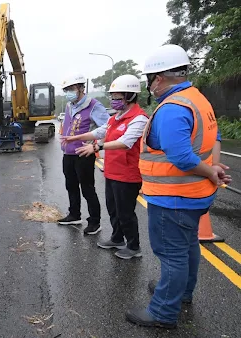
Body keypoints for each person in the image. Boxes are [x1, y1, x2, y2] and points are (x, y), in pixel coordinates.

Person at [125, 44, 232, 328]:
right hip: (194, 195)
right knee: (186, 248)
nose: (150, 85)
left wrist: (211, 172)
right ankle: (181, 292)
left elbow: (182, 157)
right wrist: (215, 168)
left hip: (173, 196)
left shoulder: (173, 108)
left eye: (149, 79)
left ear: (158, 78)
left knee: (172, 254)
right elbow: (214, 135)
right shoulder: (197, 99)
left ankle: (162, 311)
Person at [61, 74, 148, 259]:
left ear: (130, 96)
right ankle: (117, 238)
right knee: (114, 209)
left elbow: (126, 142)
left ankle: (134, 246)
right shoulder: (116, 117)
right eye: (113, 96)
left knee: (126, 212)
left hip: (128, 173)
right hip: (113, 171)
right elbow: (100, 131)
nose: (113, 100)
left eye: (117, 97)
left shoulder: (139, 119)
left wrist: (97, 146)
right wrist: (75, 138)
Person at [57, 73, 110, 235]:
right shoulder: (69, 105)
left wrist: (94, 144)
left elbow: (108, 127)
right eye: (66, 90)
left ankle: (94, 222)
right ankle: (74, 214)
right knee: (70, 186)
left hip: (84, 154)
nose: (68, 92)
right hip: (68, 153)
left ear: (81, 88)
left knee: (87, 189)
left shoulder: (94, 105)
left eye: (71, 89)